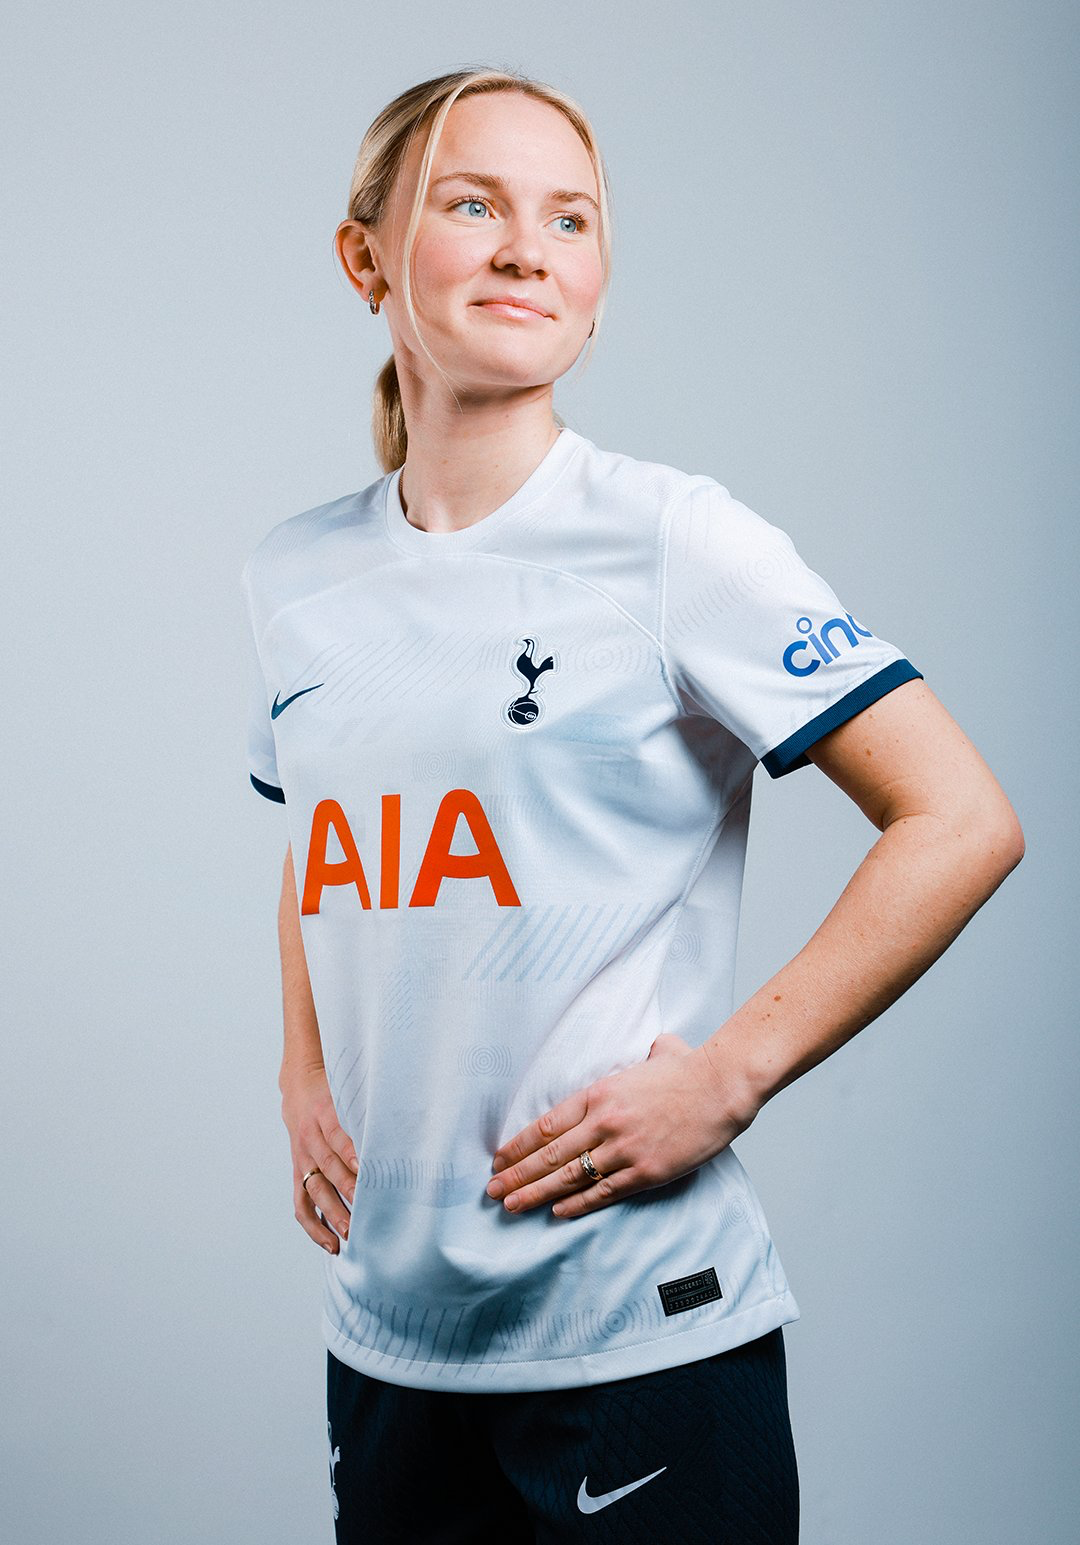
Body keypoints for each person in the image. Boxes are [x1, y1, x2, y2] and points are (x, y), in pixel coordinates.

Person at [239, 66, 1025, 1545]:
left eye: (571, 219)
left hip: (640, 1339)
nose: (528, 248)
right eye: (474, 204)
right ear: (367, 259)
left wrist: (729, 1076)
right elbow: (316, 841)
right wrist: (302, 1075)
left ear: (597, 287)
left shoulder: (675, 542)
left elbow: (961, 818)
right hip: (391, 1346)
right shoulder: (295, 579)